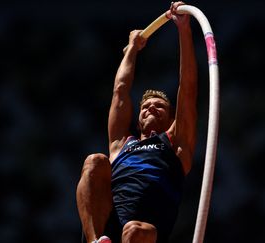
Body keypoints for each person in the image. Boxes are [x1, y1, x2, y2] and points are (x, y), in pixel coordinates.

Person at [76, 2, 197, 242]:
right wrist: (132, 48)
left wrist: (184, 30)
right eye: (145, 106)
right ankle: (94, 242)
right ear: (138, 119)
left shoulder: (176, 143)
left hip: (146, 232)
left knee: (136, 231)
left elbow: (188, 89)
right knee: (95, 162)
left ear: (172, 118)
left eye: (159, 106)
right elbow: (120, 91)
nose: (150, 106)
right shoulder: (121, 144)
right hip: (108, 227)